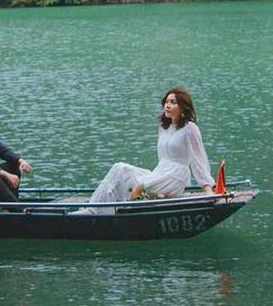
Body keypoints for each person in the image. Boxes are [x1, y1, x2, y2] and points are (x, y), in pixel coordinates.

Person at [77, 88, 215, 214]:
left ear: (183, 107)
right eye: (166, 102)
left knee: (140, 186)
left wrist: (208, 190)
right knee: (120, 169)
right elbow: (163, 160)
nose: (167, 105)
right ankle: (93, 208)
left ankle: (102, 210)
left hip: (176, 176)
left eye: (173, 102)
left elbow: (199, 159)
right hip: (161, 172)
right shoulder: (164, 127)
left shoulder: (189, 128)